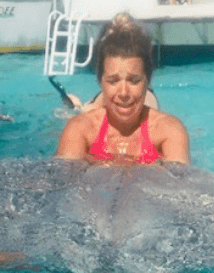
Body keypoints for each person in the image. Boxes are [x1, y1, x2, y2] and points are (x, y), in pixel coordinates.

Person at [55, 13, 190, 165]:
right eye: (113, 81)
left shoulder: (169, 131)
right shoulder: (80, 130)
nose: (124, 93)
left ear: (147, 81)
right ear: (100, 82)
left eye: (134, 81)